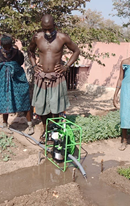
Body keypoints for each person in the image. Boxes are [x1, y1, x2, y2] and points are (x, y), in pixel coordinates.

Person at [28, 14, 80, 143]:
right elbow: (30, 51)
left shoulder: (62, 37)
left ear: (55, 26)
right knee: (42, 107)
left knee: (56, 108)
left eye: (50, 29)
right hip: (41, 78)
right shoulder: (37, 37)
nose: (47, 32)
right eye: (45, 29)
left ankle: (55, 133)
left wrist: (67, 66)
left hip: (57, 78)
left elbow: (76, 51)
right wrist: (34, 65)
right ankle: (46, 132)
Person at [0, 35, 31, 134]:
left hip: (17, 77)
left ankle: (30, 124)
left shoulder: (17, 53)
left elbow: (21, 62)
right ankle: (5, 125)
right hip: (3, 80)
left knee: (23, 98)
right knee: (5, 100)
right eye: (6, 47)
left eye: (9, 47)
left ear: (12, 45)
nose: (7, 49)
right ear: (1, 45)